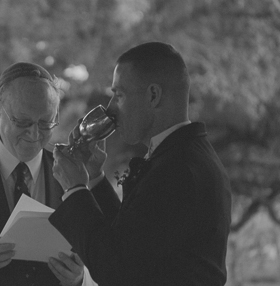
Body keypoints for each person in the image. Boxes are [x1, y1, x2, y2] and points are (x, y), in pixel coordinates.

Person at [49, 42, 232, 286]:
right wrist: (95, 178)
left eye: (119, 95)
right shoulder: (181, 156)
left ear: (153, 95)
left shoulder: (178, 170)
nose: (111, 108)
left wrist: (74, 189)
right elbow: (132, 243)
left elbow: (117, 270)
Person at [0, 62, 117, 286]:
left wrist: (79, 278)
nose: (34, 133)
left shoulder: (71, 175)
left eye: (46, 122)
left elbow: (110, 261)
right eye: (23, 121)